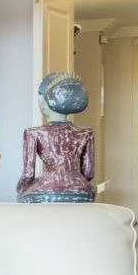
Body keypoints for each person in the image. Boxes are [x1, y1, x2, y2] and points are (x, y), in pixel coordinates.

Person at [16, 71, 95, 203]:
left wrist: (21, 189)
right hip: (82, 190)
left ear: (45, 100)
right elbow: (88, 173)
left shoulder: (33, 132)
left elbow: (28, 175)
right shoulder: (86, 132)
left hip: (46, 189)